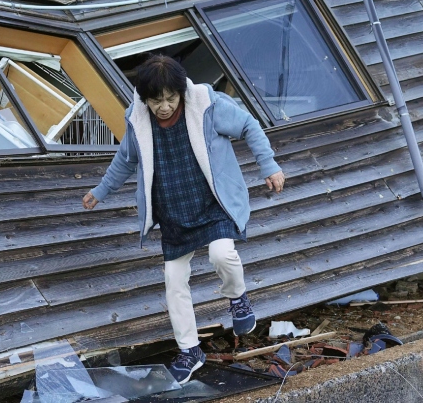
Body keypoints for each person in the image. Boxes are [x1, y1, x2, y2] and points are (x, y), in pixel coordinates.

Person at [82, 55, 285, 384]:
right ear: (144, 98)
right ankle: (190, 351)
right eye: (155, 100)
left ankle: (237, 298)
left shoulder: (207, 104)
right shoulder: (139, 121)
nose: (163, 106)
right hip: (174, 213)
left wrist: (269, 166)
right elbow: (125, 159)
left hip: (212, 203)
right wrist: (100, 191)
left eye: (170, 98)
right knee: (174, 282)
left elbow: (248, 125)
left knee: (222, 253)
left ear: (181, 92)